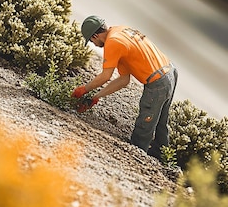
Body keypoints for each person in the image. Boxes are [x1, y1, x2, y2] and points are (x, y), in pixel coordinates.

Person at [71, 15, 178, 160]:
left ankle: (137, 156)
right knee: (160, 122)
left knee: (145, 124)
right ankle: (163, 158)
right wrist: (95, 97)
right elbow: (123, 80)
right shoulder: (121, 31)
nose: (94, 44)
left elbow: (105, 76)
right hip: (170, 71)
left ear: (96, 35)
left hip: (157, 82)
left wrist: (84, 89)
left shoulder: (112, 43)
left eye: (91, 40)